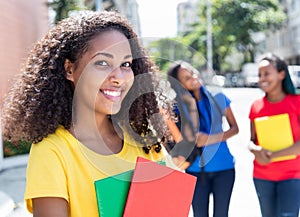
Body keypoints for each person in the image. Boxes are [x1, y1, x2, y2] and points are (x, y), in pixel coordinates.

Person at [1, 10, 175, 217]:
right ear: (69, 70)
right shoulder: (53, 152)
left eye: (126, 64)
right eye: (102, 63)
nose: (118, 78)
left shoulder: (144, 139)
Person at [167, 61, 239, 217]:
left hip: (224, 169)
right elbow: (179, 141)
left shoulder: (218, 97)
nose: (194, 77)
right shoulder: (177, 108)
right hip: (195, 171)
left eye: (192, 72)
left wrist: (210, 139)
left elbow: (235, 129)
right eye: (187, 78)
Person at [248, 53, 300, 217]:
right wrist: (255, 150)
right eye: (260, 74)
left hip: (292, 175)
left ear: (281, 74)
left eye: (267, 73)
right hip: (262, 175)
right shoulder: (256, 106)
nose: (262, 78)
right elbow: (251, 141)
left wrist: (272, 155)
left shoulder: (297, 102)